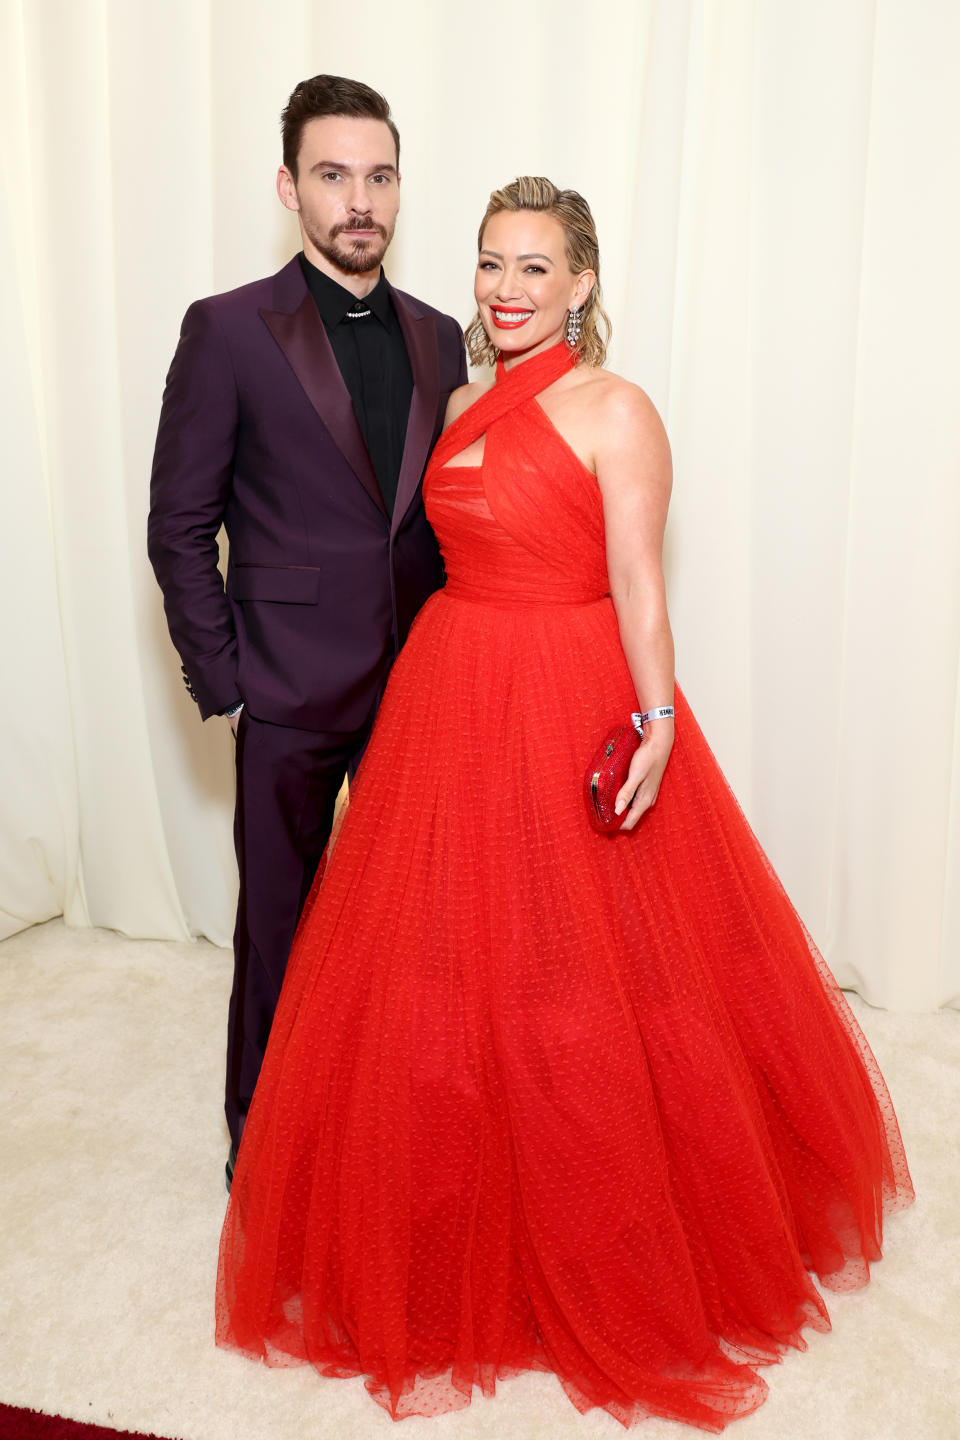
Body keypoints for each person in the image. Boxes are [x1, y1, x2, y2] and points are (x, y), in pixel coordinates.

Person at [215, 177, 913, 1430]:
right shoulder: (463, 395)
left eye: (535, 267)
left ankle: (608, 1205)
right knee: (445, 957)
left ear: (582, 283)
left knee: (591, 956)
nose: (506, 289)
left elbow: (641, 586)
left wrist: (655, 720)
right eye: (491, 263)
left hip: (571, 687)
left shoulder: (616, 409)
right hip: (451, 686)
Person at [147, 76, 467, 1186]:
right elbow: (179, 524)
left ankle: (395, 1134)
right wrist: (228, 680)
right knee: (277, 936)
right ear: (291, 187)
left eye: (378, 176)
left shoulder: (440, 338)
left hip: (419, 689)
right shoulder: (229, 329)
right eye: (334, 175)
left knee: (413, 936)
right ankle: (268, 1157)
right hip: (283, 688)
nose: (359, 200)